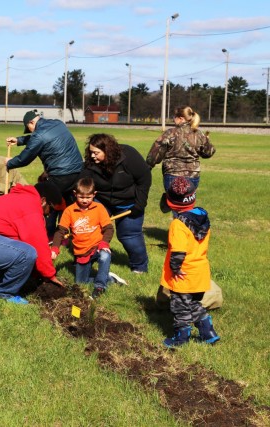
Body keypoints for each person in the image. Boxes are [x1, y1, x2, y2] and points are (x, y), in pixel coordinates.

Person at [160, 176, 220, 348]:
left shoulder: (178, 224)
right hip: (199, 273)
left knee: (180, 308)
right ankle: (208, 333)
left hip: (184, 275)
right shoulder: (202, 218)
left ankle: (181, 338)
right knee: (193, 304)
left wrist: (175, 269)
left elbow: (179, 250)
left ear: (170, 202)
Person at [79, 133, 152, 274]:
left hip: (128, 202)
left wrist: (140, 204)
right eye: (91, 152)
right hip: (102, 200)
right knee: (92, 231)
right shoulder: (91, 163)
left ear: (108, 151)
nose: (92, 156)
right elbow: (82, 182)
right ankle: (88, 261)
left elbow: (144, 178)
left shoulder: (129, 155)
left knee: (129, 235)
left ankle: (139, 267)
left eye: (96, 153)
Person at [5, 110, 83, 235]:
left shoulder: (39, 135)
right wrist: (19, 140)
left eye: (28, 128)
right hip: (79, 172)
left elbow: (25, 158)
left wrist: (9, 162)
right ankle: (71, 234)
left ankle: (47, 234)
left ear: (31, 122)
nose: (30, 131)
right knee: (70, 205)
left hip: (60, 175)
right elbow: (43, 137)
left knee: (44, 203)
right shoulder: (58, 123)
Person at [52, 177, 126, 299]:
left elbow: (108, 228)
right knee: (81, 283)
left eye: (88, 197)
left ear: (94, 194)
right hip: (81, 251)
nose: (85, 200)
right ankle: (109, 278)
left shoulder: (99, 208)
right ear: (75, 194)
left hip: (97, 246)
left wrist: (104, 244)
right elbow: (60, 231)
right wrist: (55, 248)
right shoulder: (69, 211)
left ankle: (100, 287)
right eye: (81, 197)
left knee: (105, 255)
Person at [146, 105, 215, 192]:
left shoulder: (170, 133)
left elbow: (155, 153)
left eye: (174, 117)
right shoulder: (198, 134)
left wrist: (147, 167)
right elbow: (209, 153)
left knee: (172, 203)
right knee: (188, 203)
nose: (173, 119)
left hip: (172, 174)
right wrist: (207, 140)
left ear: (181, 118)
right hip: (193, 176)